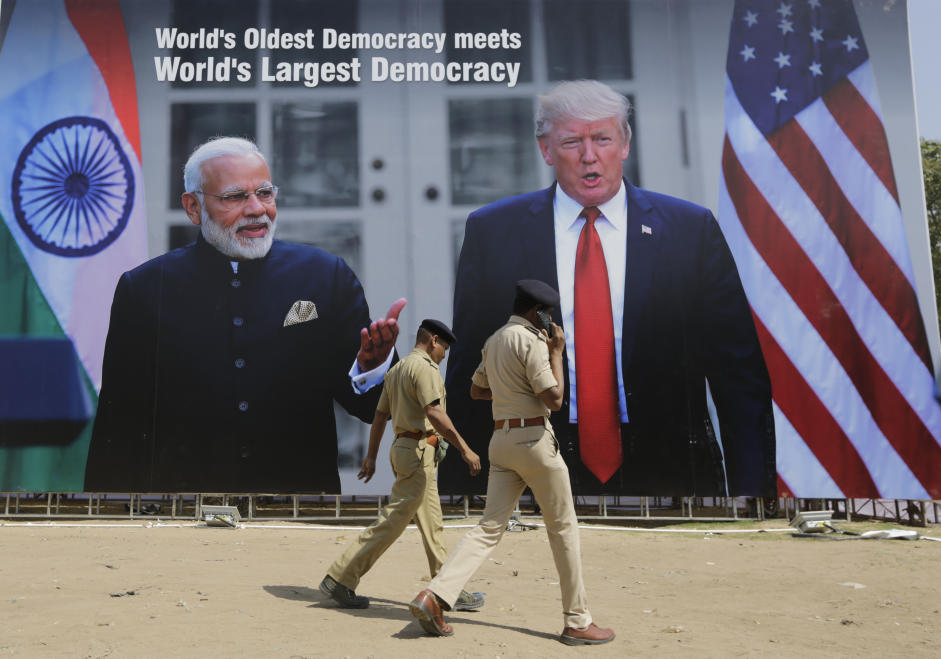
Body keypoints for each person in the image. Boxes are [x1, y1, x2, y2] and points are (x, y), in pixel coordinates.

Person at [442, 80, 775, 497]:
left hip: (673, 473)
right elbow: (470, 377)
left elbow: (740, 382)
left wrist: (754, 501)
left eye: (602, 138)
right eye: (571, 142)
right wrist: (459, 496)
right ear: (546, 149)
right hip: (533, 471)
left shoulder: (690, 231)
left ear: (625, 143)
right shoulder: (493, 233)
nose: (589, 156)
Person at [84, 137, 404, 493]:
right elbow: (119, 426)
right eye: (235, 197)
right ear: (193, 207)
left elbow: (373, 408)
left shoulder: (325, 276)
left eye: (265, 193)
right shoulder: (144, 289)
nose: (256, 209)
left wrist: (374, 367)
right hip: (180, 512)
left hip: (301, 512)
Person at [410, 280, 614, 645]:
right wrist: (556, 352)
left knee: (488, 528)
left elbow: (475, 390)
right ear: (538, 313)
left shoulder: (494, 340)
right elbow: (554, 398)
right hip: (534, 440)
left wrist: (511, 392)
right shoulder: (533, 340)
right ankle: (577, 621)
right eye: (547, 316)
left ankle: (435, 595)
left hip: (500, 440)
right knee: (563, 529)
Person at [321, 319, 484, 611]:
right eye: (444, 347)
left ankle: (447, 589)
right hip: (419, 453)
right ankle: (340, 576)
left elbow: (380, 416)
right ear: (434, 340)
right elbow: (434, 412)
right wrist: (465, 448)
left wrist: (371, 457)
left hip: (407, 450)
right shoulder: (425, 368)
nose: (444, 354)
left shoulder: (396, 370)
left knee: (433, 526)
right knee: (393, 521)